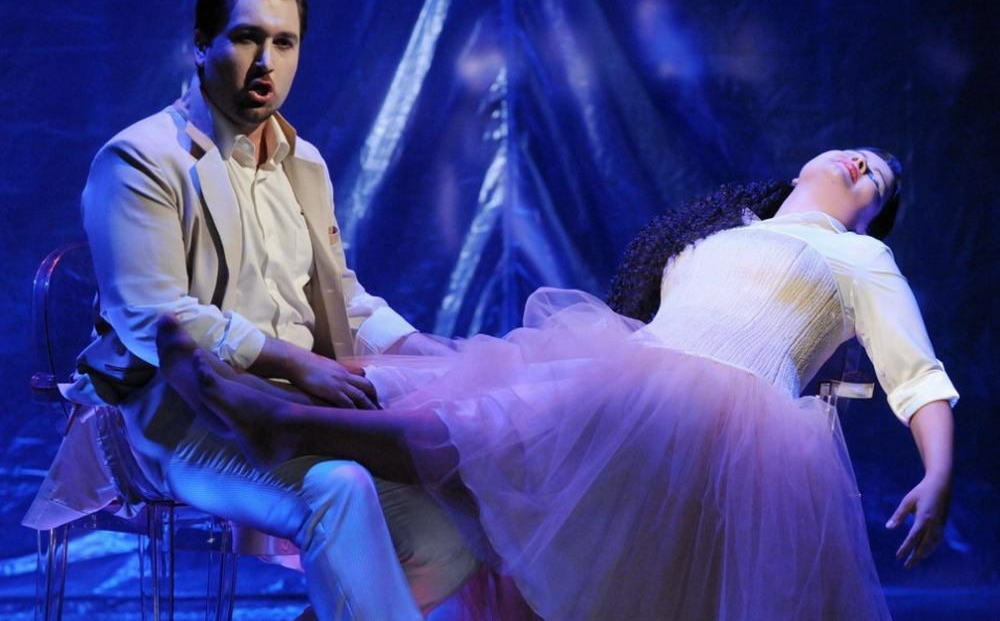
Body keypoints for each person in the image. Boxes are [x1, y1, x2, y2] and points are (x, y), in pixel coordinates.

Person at [155, 147, 958, 620]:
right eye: (859, 154)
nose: (865, 167)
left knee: (483, 426)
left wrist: (938, 472)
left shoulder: (861, 258)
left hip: (727, 423)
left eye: (878, 185)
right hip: (652, 385)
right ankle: (253, 373)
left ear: (869, 218)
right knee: (455, 395)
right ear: (807, 162)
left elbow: (916, 374)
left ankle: (285, 424)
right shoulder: (721, 234)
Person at [24, 0, 478, 618]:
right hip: (177, 413)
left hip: (297, 407)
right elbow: (150, 316)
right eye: (246, 38)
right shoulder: (140, 158)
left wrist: (427, 350)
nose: (266, 61)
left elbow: (342, 295)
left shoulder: (304, 161)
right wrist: (295, 360)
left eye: (284, 42)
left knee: (453, 531)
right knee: (339, 487)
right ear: (200, 44)